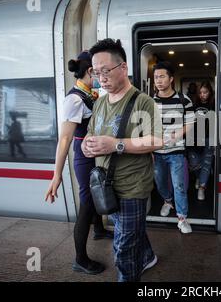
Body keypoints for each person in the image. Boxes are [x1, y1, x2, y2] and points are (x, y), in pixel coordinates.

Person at [81, 39, 163, 282]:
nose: (101, 78)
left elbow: (157, 140)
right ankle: (147, 256)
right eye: (96, 73)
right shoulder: (100, 102)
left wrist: (115, 144)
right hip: (106, 187)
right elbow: (91, 133)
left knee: (124, 249)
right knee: (129, 231)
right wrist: (87, 145)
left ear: (123, 68)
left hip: (132, 187)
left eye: (106, 71)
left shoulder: (142, 102)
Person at [45, 50, 113, 275]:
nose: (102, 76)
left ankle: (100, 229)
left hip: (94, 153)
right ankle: (80, 259)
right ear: (90, 71)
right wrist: (56, 175)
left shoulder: (89, 94)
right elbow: (64, 138)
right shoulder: (74, 99)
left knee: (95, 196)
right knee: (86, 203)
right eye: (99, 71)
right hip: (84, 157)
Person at [152, 61, 195, 234]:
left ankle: (182, 218)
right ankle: (167, 201)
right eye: (156, 77)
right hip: (156, 151)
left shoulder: (184, 99)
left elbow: (190, 123)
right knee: (160, 182)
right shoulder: (150, 101)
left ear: (171, 79)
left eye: (162, 76)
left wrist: (175, 136)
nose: (158, 80)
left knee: (179, 184)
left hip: (176, 150)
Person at [188, 81, 215, 200]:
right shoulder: (193, 107)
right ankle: (199, 178)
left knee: (207, 165)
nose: (202, 95)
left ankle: (202, 188)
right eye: (200, 92)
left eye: (205, 92)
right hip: (195, 139)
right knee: (194, 164)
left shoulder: (214, 106)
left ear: (210, 93)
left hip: (209, 138)